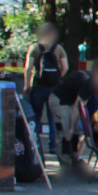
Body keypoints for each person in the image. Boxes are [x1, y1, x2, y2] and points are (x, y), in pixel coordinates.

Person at [21, 22, 67, 152]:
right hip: (54, 88)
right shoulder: (58, 49)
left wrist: (27, 84)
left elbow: (28, 68)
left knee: (35, 117)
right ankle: (53, 146)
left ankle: (35, 144)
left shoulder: (34, 48)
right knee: (52, 118)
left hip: (38, 86)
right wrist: (58, 78)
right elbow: (66, 67)